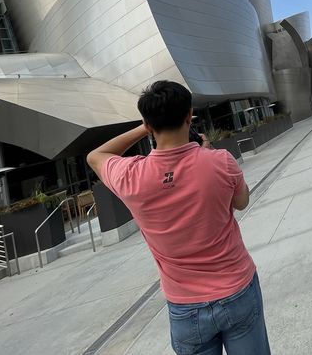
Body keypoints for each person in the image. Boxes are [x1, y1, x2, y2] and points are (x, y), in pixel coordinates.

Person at [86, 80, 270, 355]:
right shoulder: (220, 161)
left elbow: (96, 155)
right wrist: (206, 156)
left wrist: (144, 126)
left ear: (148, 125)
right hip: (236, 289)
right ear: (189, 115)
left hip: (185, 306)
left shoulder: (130, 176)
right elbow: (242, 202)